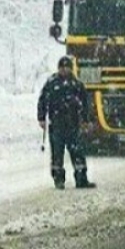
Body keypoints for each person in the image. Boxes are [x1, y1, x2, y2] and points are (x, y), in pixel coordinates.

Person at [37, 56, 95, 190]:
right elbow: (42, 100)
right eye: (62, 67)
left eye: (67, 67)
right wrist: (41, 118)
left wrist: (86, 120)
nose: (64, 70)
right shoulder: (51, 83)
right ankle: (58, 180)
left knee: (77, 152)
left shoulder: (77, 85)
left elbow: (85, 104)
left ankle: (81, 179)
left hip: (73, 124)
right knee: (57, 154)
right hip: (56, 125)